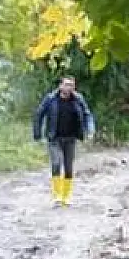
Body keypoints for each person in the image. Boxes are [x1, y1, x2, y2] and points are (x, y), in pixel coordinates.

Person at [32, 75, 96, 206]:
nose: (69, 88)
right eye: (66, 84)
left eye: (71, 85)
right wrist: (37, 134)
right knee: (56, 163)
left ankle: (66, 197)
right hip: (54, 138)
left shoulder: (78, 99)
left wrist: (90, 129)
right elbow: (39, 114)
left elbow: (87, 114)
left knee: (68, 167)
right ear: (60, 86)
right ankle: (57, 196)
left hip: (71, 138)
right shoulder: (50, 99)